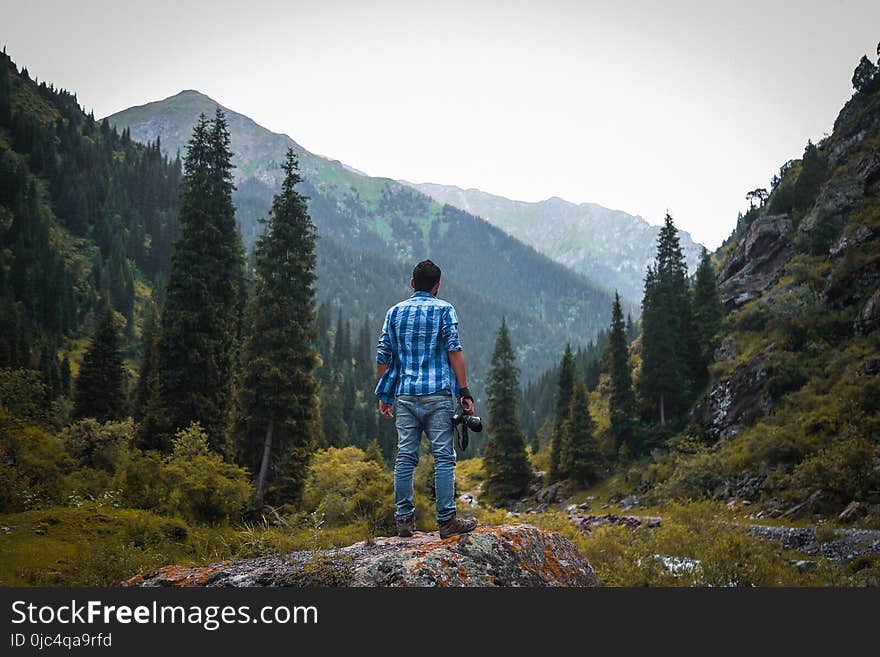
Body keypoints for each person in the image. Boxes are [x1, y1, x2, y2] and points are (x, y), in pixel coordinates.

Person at [375, 259, 478, 539]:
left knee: (405, 457)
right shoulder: (444, 309)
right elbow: (454, 350)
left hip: (405, 395)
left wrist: (385, 395)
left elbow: (383, 355)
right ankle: (446, 521)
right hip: (438, 396)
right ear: (437, 286)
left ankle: (404, 522)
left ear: (412, 284)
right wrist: (464, 391)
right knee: (444, 457)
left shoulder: (394, 313)